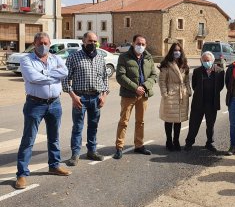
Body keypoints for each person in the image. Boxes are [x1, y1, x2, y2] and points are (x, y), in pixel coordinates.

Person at [15, 32, 71, 189]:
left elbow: (65, 73)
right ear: (34, 43)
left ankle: (54, 165)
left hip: (55, 103)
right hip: (35, 104)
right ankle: (21, 174)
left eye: (46, 43)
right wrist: (54, 76)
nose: (43, 46)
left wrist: (44, 74)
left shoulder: (56, 58)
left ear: (50, 43)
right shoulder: (26, 59)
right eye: (40, 43)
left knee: (54, 137)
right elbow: (33, 77)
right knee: (28, 139)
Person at [63, 31, 109, 166]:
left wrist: (104, 95)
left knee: (93, 126)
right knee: (78, 127)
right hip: (80, 97)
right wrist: (73, 96)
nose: (93, 44)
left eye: (95, 41)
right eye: (90, 41)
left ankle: (92, 151)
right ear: (83, 41)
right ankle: (75, 154)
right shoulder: (74, 57)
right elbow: (65, 79)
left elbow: (105, 77)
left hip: (96, 97)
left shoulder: (100, 57)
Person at [113, 34, 157, 159]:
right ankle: (119, 147)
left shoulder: (148, 58)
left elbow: (154, 75)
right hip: (128, 95)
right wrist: (135, 87)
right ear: (133, 43)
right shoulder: (124, 57)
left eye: (143, 44)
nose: (140, 46)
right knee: (124, 121)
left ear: (146, 45)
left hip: (143, 94)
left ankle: (139, 145)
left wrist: (144, 86)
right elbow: (120, 76)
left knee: (140, 121)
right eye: (138, 43)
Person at [184, 51, 225, 152]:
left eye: (208, 60)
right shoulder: (197, 71)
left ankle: (210, 143)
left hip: (212, 103)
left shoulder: (220, 71)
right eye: (204, 60)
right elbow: (194, 85)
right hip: (198, 102)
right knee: (194, 123)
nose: (207, 62)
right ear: (201, 61)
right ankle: (189, 143)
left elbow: (220, 86)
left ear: (213, 60)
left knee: (210, 125)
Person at [158, 42, 191, 151]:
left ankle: (176, 141)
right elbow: (162, 81)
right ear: (171, 52)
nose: (177, 52)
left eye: (179, 50)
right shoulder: (166, 64)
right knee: (169, 119)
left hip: (182, 94)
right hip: (170, 93)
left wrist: (188, 91)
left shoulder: (184, 64)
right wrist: (165, 94)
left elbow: (187, 80)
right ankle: (168, 141)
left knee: (178, 119)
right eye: (175, 50)